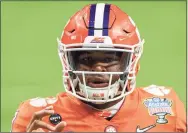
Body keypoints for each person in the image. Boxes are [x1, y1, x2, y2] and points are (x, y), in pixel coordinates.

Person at [11, 3, 186, 132]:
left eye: (109, 58)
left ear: (131, 60)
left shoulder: (165, 108)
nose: (98, 68)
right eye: (86, 58)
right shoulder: (38, 117)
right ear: (68, 61)